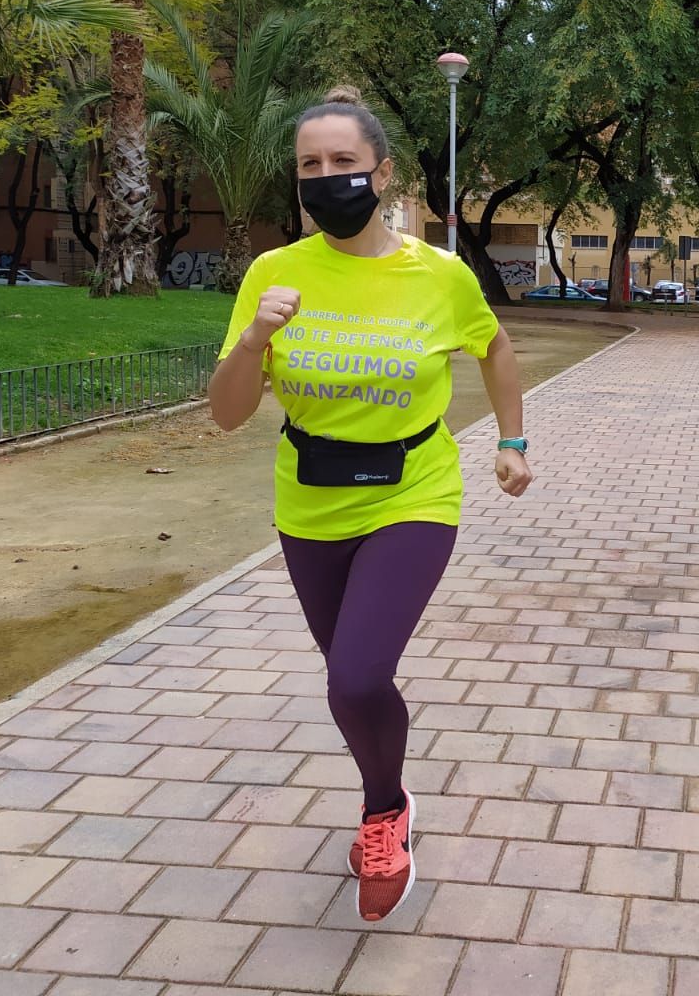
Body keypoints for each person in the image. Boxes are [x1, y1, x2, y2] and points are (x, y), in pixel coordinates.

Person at [208, 86, 533, 922]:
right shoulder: (272, 275)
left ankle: (384, 816)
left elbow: (495, 347)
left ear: (383, 173)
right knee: (350, 684)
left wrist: (511, 440)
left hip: (414, 490)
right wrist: (253, 339)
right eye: (310, 166)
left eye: (344, 163)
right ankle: (388, 792)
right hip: (310, 499)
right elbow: (227, 412)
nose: (326, 179)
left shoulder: (440, 274)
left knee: (355, 676)